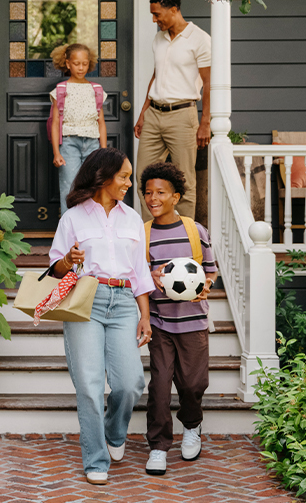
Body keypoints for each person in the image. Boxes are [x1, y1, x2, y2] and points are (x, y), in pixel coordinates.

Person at [44, 147, 155, 486]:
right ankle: (95, 458)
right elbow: (54, 267)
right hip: (85, 299)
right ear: (104, 177)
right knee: (90, 386)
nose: (128, 183)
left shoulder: (132, 219)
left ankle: (113, 432)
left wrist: (144, 316)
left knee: (130, 382)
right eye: (123, 176)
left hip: (123, 301)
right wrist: (69, 260)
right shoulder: (73, 218)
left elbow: (140, 272)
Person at [138, 161, 220, 474]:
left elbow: (210, 271)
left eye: (160, 192)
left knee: (193, 384)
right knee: (159, 387)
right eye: (147, 192)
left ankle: (192, 425)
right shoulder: (143, 235)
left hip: (193, 323)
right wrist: (151, 276)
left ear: (176, 197)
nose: (152, 198)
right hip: (160, 324)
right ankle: (158, 446)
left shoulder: (195, 231)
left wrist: (205, 287)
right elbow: (137, 276)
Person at [133, 0, 212, 223]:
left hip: (182, 115)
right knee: (142, 179)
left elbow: (209, 83)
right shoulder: (159, 39)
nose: (154, 20)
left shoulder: (200, 39)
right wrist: (143, 113)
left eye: (157, 14)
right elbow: (155, 76)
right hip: (154, 115)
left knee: (184, 180)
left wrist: (205, 121)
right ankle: (152, 234)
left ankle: (184, 236)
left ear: (174, 9)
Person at [47, 43, 109, 215]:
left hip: (92, 145)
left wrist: (103, 151)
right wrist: (56, 153)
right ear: (68, 64)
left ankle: (92, 226)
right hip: (69, 144)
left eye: (84, 64)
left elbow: (101, 122)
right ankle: (69, 231)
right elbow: (55, 122)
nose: (81, 68)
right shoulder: (60, 90)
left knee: (93, 186)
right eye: (76, 63)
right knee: (69, 187)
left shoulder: (96, 90)